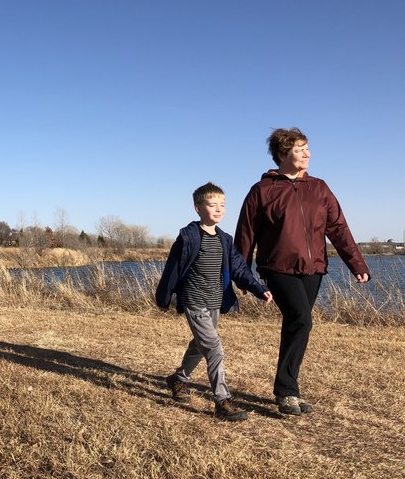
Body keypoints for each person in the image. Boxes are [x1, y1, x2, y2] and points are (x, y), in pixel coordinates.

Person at [235, 128, 370, 416]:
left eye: (307, 148)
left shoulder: (319, 188)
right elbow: (246, 233)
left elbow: (338, 228)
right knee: (301, 319)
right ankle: (286, 391)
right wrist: (241, 272)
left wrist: (356, 264)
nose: (307, 154)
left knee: (296, 324)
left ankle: (288, 389)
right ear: (283, 154)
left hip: (314, 268)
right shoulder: (262, 191)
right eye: (299, 149)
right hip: (277, 267)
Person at [156, 182, 273, 422]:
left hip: (215, 301)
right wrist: (164, 297)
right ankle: (222, 401)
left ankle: (178, 379)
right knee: (214, 347)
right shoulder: (188, 237)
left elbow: (240, 268)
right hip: (194, 300)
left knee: (200, 345)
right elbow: (173, 270)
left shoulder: (224, 239)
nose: (218, 209)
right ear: (198, 208)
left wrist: (258, 289)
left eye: (222, 205)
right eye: (212, 205)